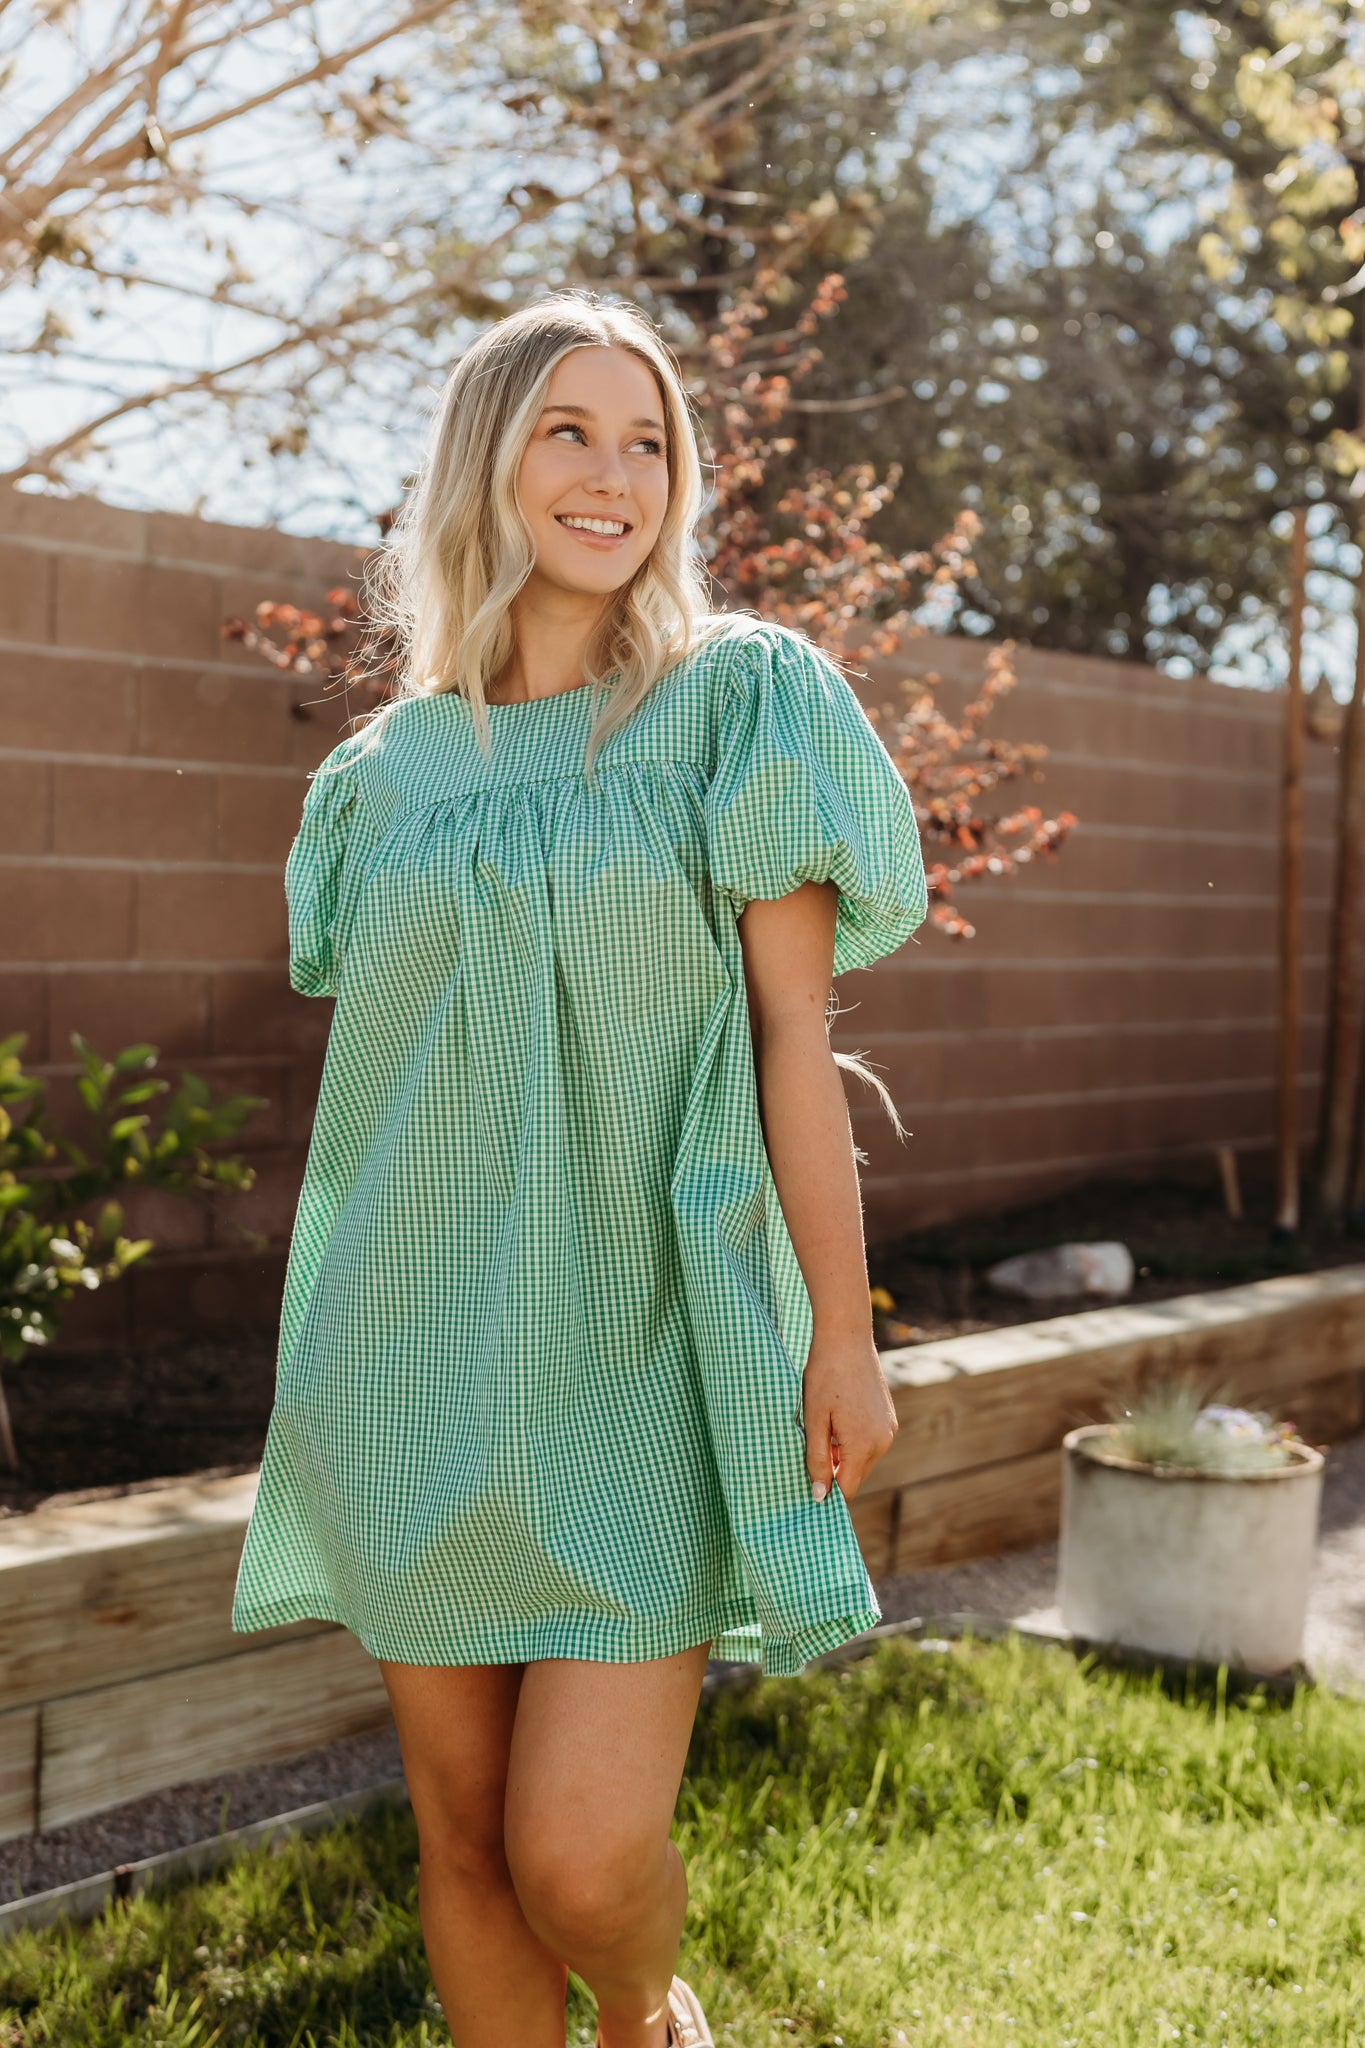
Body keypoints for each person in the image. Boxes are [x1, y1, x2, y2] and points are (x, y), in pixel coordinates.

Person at [231, 290, 928, 2048]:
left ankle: (639, 2015)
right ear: (487, 458)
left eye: (647, 441)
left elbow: (793, 1035)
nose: (614, 476)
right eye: (569, 430)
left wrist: (840, 1332)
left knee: (581, 1858)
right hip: (403, 1356)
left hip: (644, 1340)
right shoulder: (378, 781)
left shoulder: (736, 705)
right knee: (463, 1845)